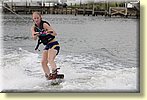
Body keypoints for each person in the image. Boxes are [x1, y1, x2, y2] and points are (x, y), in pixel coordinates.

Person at [31, 12, 60, 80]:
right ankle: (48, 75)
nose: (36, 19)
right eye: (35, 18)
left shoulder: (44, 24)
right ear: (33, 19)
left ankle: (54, 73)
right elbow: (34, 38)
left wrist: (47, 32)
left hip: (54, 44)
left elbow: (55, 33)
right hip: (47, 46)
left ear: (40, 18)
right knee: (43, 62)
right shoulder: (33, 28)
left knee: (50, 59)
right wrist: (36, 34)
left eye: (37, 18)